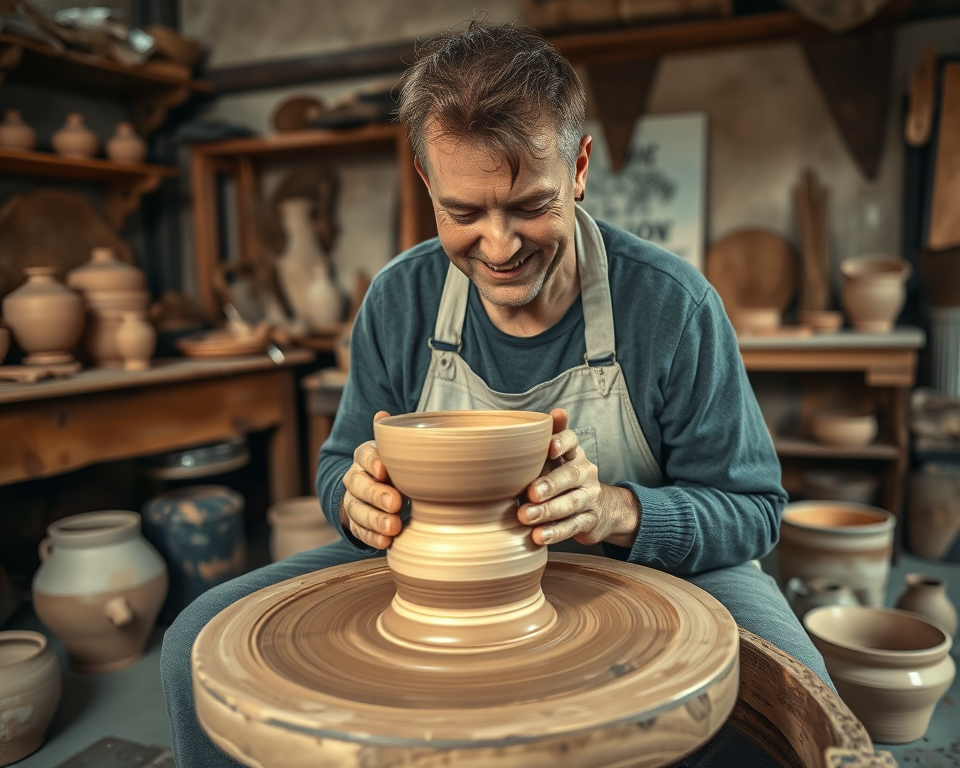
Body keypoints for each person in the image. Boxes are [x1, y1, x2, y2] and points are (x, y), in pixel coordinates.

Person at [161, 20, 833, 767]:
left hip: (643, 570)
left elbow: (753, 509)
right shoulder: (401, 299)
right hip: (438, 578)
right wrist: (358, 500)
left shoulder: (671, 305)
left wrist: (616, 509)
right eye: (463, 213)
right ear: (428, 185)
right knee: (196, 645)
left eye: (529, 206)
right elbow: (337, 464)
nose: (500, 245)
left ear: (578, 168)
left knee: (784, 704)